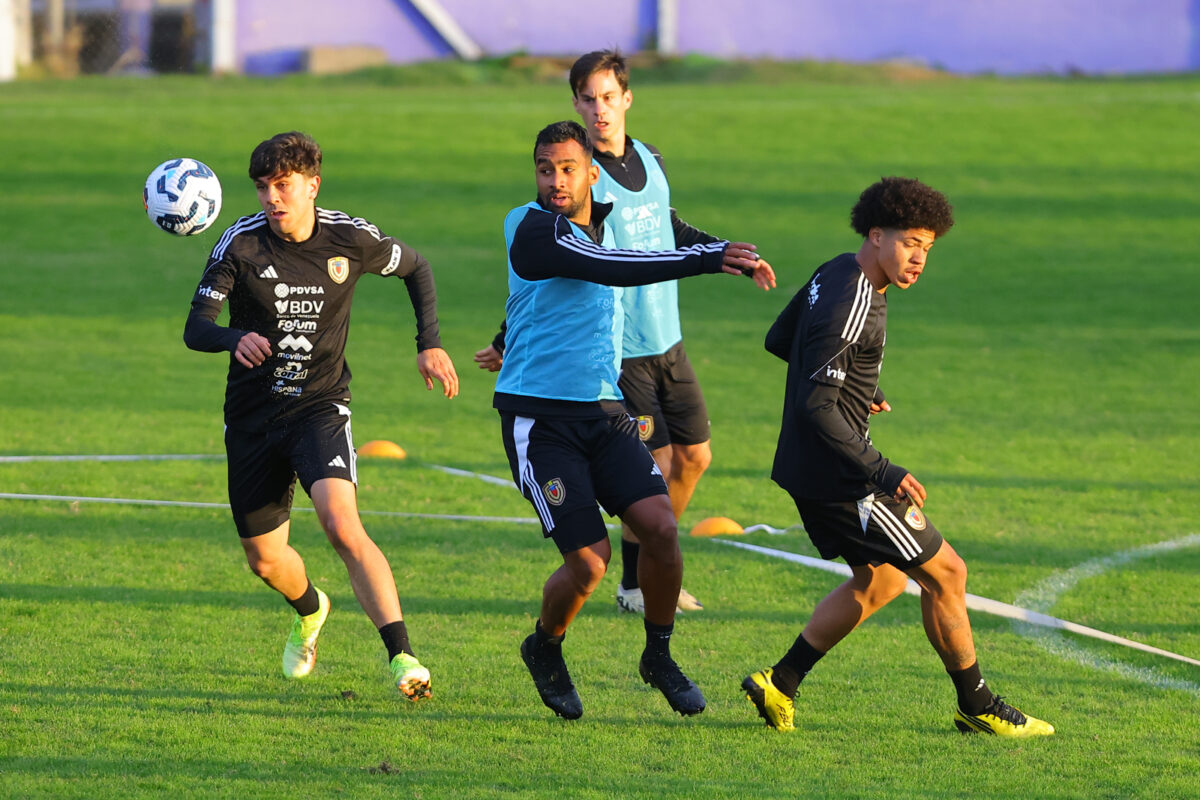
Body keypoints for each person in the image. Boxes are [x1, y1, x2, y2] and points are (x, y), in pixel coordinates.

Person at [741, 177, 1054, 737]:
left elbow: (778, 338)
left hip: (810, 467)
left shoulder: (835, 269)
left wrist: (859, 390)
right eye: (911, 242)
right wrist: (885, 470)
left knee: (880, 581)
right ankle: (978, 705)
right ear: (877, 234)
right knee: (947, 573)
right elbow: (817, 407)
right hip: (844, 478)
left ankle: (779, 682)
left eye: (928, 248)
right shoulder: (853, 299)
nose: (919, 259)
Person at [476, 48, 776, 616]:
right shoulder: (579, 182)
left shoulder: (650, 158)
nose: (599, 110)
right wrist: (507, 336)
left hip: (668, 336)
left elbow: (667, 227)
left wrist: (724, 252)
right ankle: (637, 584)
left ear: (627, 98)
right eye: (587, 100)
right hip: (620, 353)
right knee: (656, 464)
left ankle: (649, 567)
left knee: (696, 458)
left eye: (608, 97)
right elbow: (561, 273)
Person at [499, 120, 772, 720]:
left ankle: (658, 655)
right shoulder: (531, 227)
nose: (555, 181)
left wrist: (724, 249)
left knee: (662, 528)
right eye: (545, 169)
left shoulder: (607, 215)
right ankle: (544, 647)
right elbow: (613, 267)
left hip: (603, 408)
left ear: (591, 172)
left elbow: (650, 237)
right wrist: (706, 260)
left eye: (567, 169)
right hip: (539, 420)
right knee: (590, 561)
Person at [183, 131, 459, 701]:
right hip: (254, 418)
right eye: (263, 188)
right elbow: (195, 329)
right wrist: (233, 338)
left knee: (341, 523)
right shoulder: (239, 246)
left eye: (282, 185)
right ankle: (310, 610)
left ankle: (403, 657)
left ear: (311, 184)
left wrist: (428, 342)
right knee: (264, 559)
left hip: (320, 406)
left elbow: (418, 267)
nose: (271, 198)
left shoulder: (349, 238)